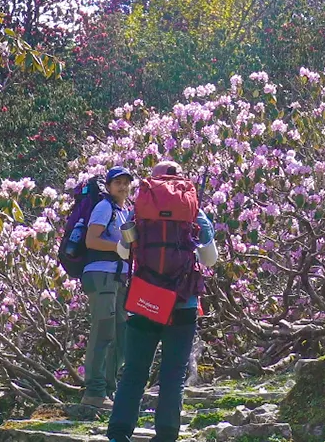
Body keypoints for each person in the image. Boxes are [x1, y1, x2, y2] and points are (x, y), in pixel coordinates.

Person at [107, 161, 218, 442]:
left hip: (147, 299)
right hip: (183, 302)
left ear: (151, 182)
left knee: (134, 370)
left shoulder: (140, 210)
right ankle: (166, 435)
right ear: (180, 180)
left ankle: (119, 433)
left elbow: (122, 252)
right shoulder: (193, 212)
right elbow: (209, 259)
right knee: (174, 372)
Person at [80, 166, 135, 408]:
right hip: (101, 275)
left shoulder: (126, 211)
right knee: (103, 332)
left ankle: (109, 392)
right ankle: (94, 392)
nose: (122, 187)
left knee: (121, 336)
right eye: (118, 182)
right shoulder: (104, 208)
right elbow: (91, 240)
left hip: (119, 278)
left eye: (126, 182)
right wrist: (115, 248)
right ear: (109, 186)